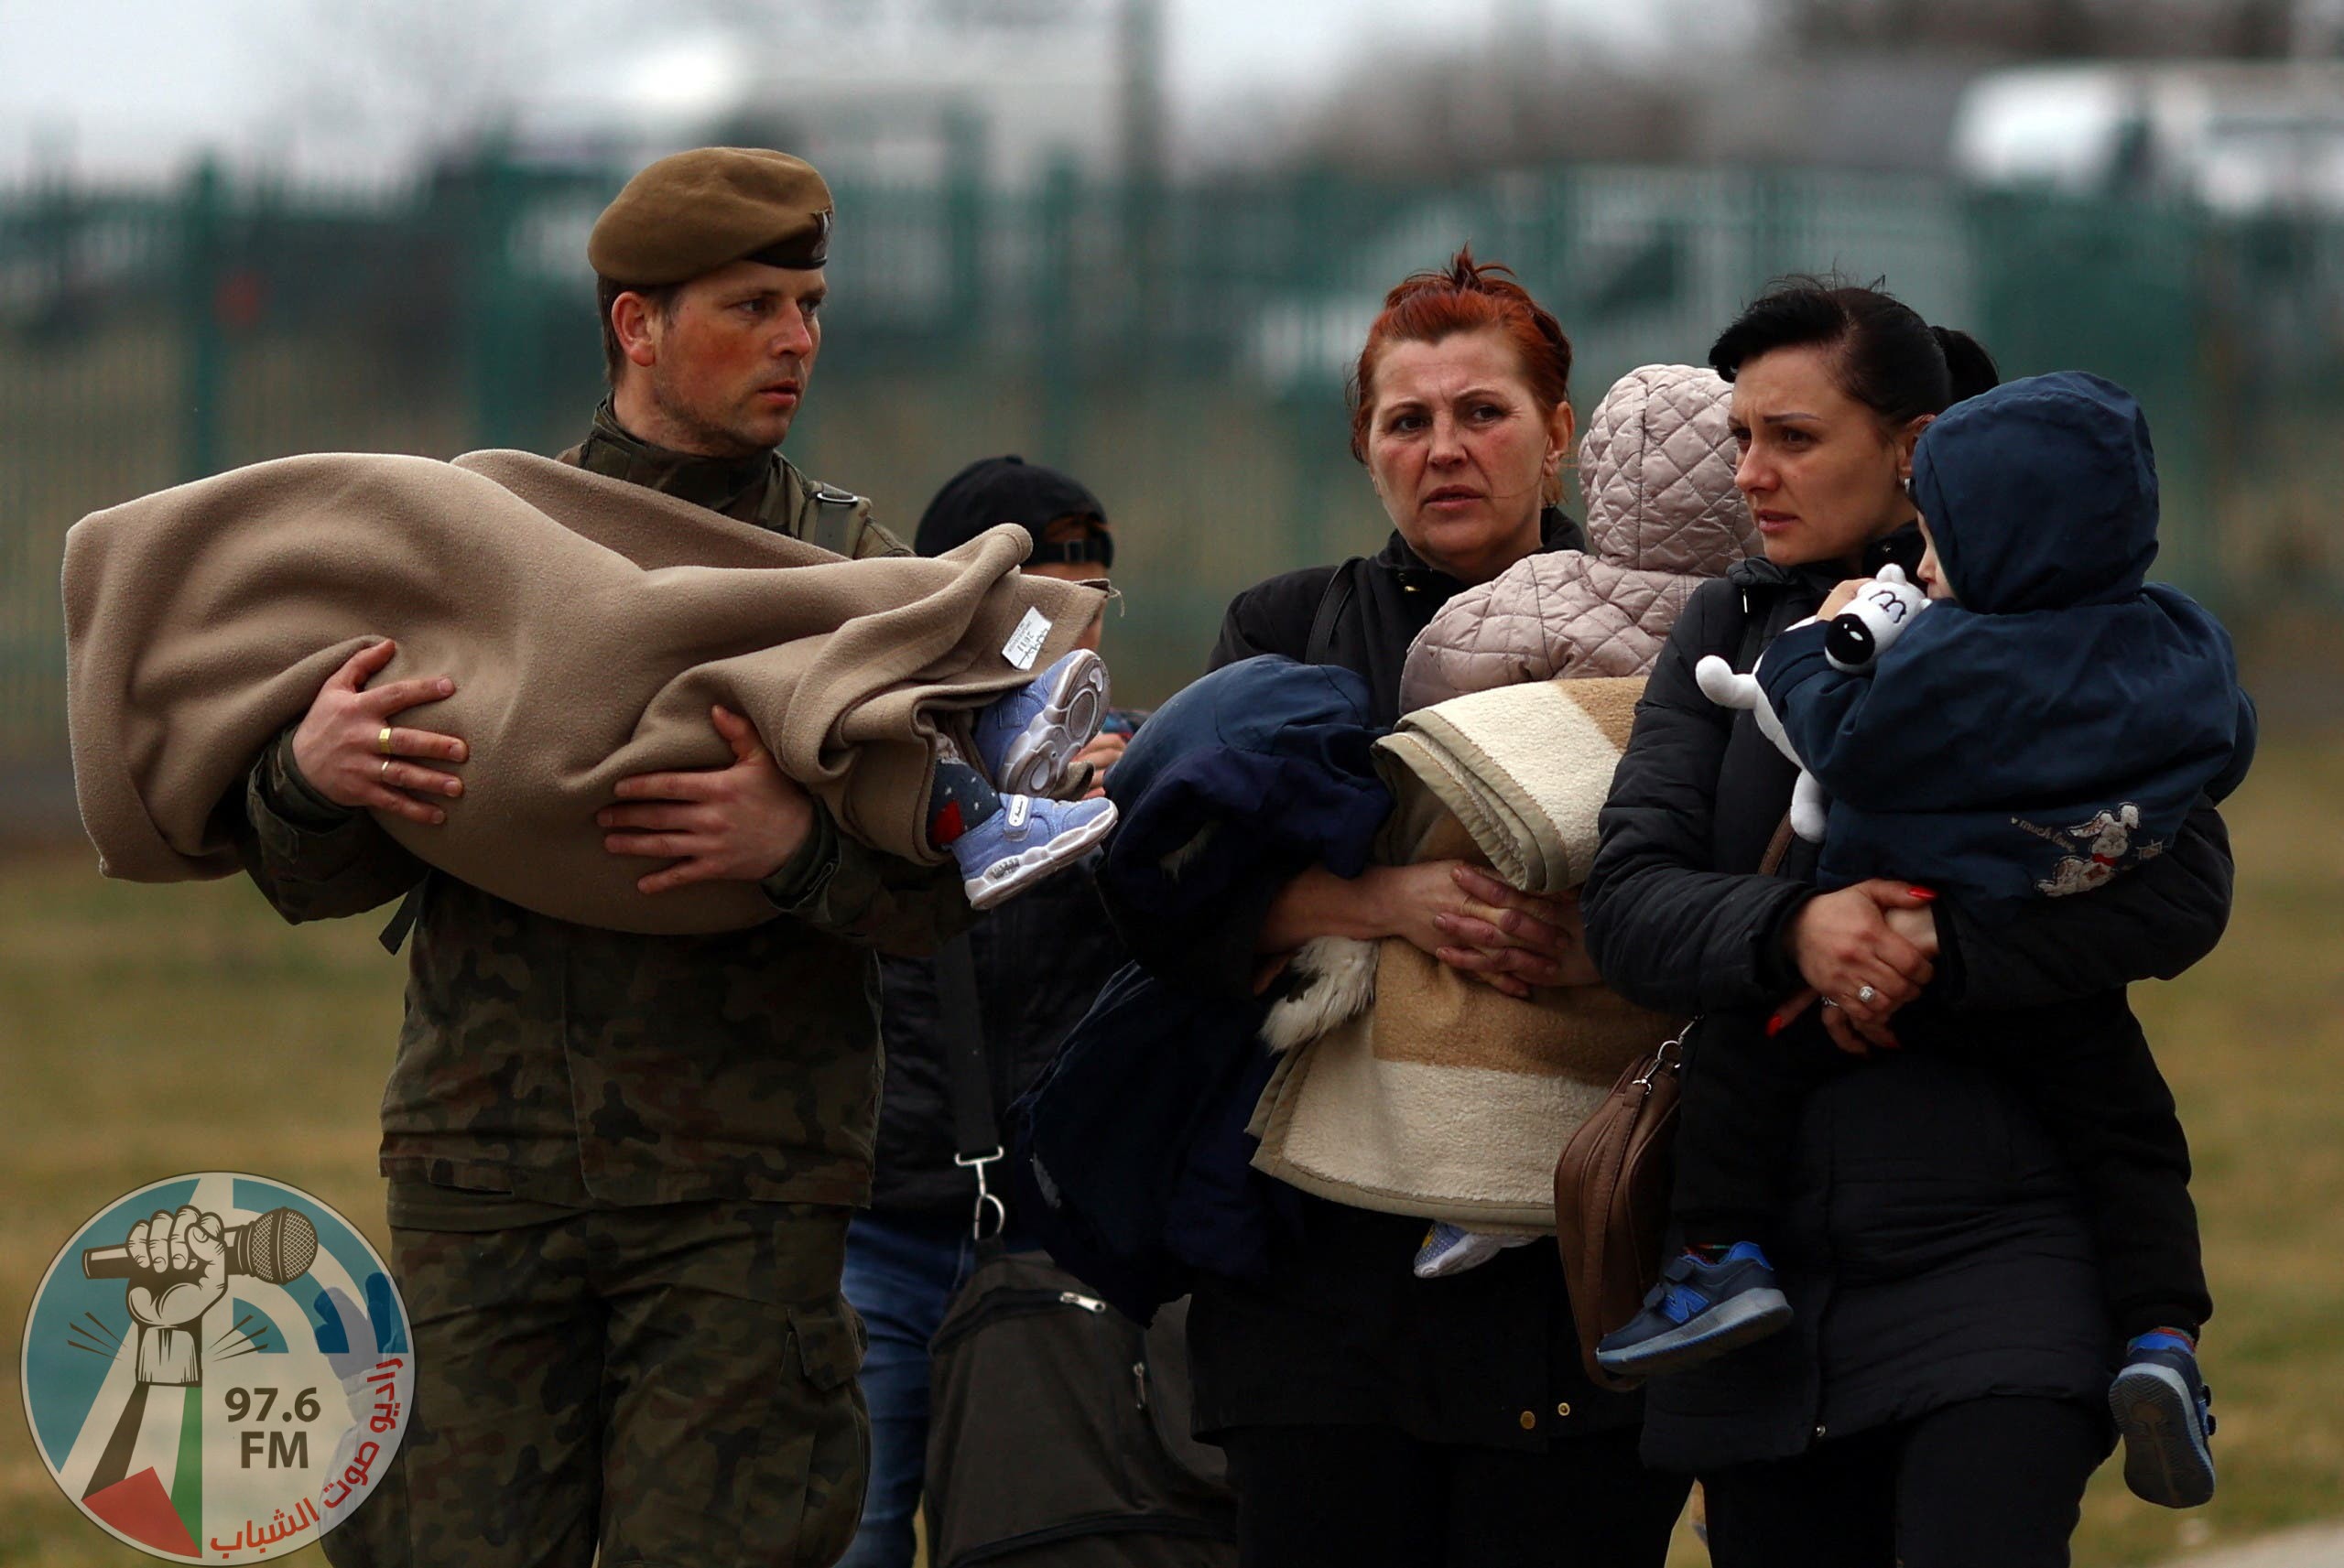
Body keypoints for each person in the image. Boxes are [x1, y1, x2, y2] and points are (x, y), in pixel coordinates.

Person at [233, 146, 963, 1568]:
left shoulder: (853, 577)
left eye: (810, 302)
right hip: (485, 1170)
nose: (798, 338)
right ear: (638, 326)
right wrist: (308, 776)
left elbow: (949, 890)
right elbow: (311, 873)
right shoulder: (479, 547)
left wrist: (798, 848)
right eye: (753, 304)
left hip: (743, 1190)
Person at [1581, 280, 2242, 1566]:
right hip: (1754, 1292)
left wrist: (1945, 952)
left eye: (1794, 438)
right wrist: (1800, 936)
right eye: (1739, 438)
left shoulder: (2050, 631)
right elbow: (1632, 903)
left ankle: (2163, 1334)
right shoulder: (1731, 627)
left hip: (2000, 1245)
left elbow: (2180, 884)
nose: (1752, 475)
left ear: (1916, 447)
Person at [1185, 249, 1692, 1566]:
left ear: (1561, 434)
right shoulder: (1286, 631)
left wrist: (1614, 937)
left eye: (1485, 413)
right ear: (1366, 445)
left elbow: (1731, 880)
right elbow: (1173, 891)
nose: (1445, 449)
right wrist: (1381, 896)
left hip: (1575, 1254)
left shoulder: (1678, 642)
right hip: (1318, 1279)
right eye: (1408, 420)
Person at [839, 456, 1134, 1567]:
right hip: (885, 1222)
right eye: (1040, 607)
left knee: (1053, 1533)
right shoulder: (875, 764)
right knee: (856, 1531)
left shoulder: (1142, 769)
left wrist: (1129, 823)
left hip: (1064, 1240)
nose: (1074, 632)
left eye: (1095, 600)